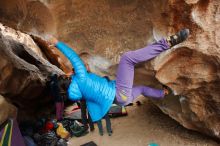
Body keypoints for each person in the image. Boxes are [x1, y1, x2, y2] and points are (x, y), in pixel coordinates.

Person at [48, 29, 190, 124]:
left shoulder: (75, 94)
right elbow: (74, 58)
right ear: (68, 77)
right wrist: (57, 44)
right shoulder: (81, 78)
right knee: (127, 59)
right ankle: (167, 43)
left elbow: (91, 88)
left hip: (122, 100)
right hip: (119, 93)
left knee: (140, 89)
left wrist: (72, 76)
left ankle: (163, 92)